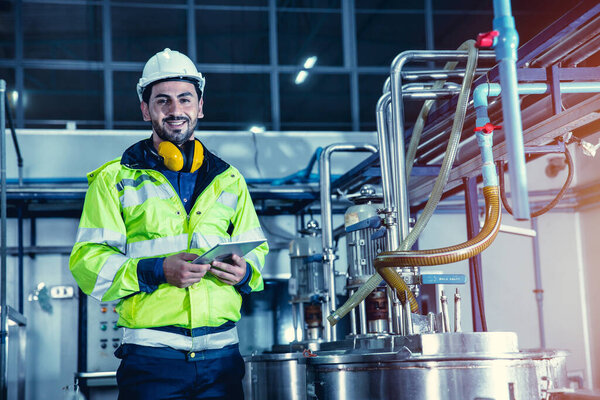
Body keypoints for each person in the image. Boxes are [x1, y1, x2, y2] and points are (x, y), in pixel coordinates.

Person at [69, 48, 268, 399]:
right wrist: (157, 270)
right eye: (163, 101)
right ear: (146, 109)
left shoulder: (230, 179)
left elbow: (257, 249)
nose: (176, 111)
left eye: (185, 99)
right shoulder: (115, 179)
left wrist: (246, 273)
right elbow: (88, 262)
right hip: (151, 359)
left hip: (222, 358)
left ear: (200, 106)